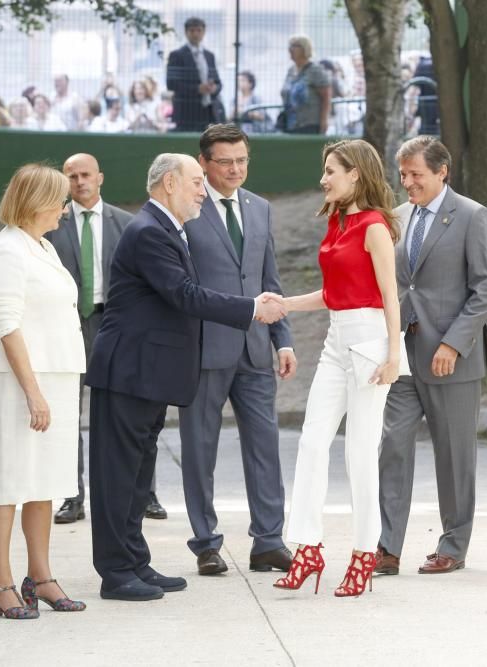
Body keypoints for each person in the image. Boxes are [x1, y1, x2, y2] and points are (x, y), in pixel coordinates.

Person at [84, 153, 286, 601]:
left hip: (148, 375)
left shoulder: (164, 228)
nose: (203, 190)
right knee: (118, 476)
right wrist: (251, 308)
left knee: (137, 476)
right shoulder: (148, 231)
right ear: (170, 183)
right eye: (196, 182)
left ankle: (135, 561)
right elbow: (184, 295)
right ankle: (116, 572)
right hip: (129, 372)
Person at [274, 139, 402, 598]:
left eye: (331, 171)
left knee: (359, 454)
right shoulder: (335, 221)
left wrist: (394, 357)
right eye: (325, 170)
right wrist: (283, 304)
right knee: (311, 443)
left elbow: (390, 295)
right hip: (336, 338)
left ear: (356, 175)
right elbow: (332, 294)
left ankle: (365, 553)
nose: (324, 178)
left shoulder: (374, 227)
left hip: (371, 341)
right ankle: (308, 547)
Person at [373, 136, 487, 577]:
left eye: (416, 175)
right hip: (404, 356)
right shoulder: (397, 217)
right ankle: (387, 546)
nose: (407, 183)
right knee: (391, 447)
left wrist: (453, 343)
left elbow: (486, 289)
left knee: (454, 456)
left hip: (452, 358)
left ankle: (453, 545)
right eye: (403, 174)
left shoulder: (471, 215)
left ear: (442, 171)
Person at [179, 124, 296, 576]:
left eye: (242, 159)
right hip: (204, 348)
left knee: (265, 446)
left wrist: (282, 340)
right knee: (199, 448)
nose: (235, 168)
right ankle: (206, 543)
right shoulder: (189, 207)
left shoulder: (260, 208)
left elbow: (271, 282)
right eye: (225, 161)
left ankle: (268, 540)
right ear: (204, 162)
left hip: (255, 350)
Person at [0, 164, 88, 619]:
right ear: (37, 202)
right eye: (59, 200)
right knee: (10, 482)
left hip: (58, 377)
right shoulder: (7, 250)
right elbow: (8, 325)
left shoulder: (41, 246)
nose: (66, 208)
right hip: (22, 382)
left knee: (44, 482)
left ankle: (40, 577)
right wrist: (32, 392)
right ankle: (0, 584)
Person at [42, 154, 131, 525]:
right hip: (69, 327)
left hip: (113, 326)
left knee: (125, 414)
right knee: (66, 414)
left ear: (100, 177)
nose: (80, 182)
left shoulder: (125, 223)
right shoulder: (51, 224)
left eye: (86, 175)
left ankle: (140, 495)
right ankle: (72, 496)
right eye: (72, 176)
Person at [166, 17, 223, 133]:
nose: (196, 34)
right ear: (186, 33)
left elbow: (218, 82)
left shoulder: (209, 55)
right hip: (187, 111)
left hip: (209, 111)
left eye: (199, 30)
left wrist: (214, 88)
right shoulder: (177, 55)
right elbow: (171, 83)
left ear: (204, 32)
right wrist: (197, 89)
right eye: (192, 31)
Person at [280, 35, 332, 135]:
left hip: (309, 125)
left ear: (305, 48)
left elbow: (326, 97)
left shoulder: (315, 70)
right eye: (290, 45)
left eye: (295, 45)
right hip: (289, 124)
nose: (290, 49)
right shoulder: (291, 70)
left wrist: (324, 121)